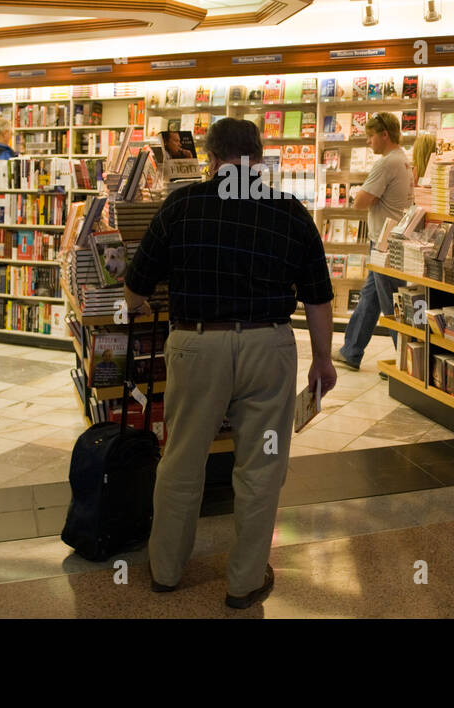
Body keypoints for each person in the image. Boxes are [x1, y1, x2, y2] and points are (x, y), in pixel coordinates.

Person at [123, 116, 337, 610]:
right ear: (258, 159)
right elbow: (318, 298)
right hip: (269, 349)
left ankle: (166, 571)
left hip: (198, 348)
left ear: (211, 159)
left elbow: (134, 288)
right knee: (262, 467)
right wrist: (323, 361)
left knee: (181, 460)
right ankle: (243, 582)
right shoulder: (289, 211)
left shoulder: (181, 205)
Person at [332, 112, 414, 371]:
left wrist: (366, 195)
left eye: (370, 136)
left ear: (384, 135)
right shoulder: (402, 159)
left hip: (383, 244)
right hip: (391, 241)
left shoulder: (386, 163)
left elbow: (359, 202)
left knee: (391, 304)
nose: (368, 142)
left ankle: (408, 363)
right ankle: (352, 350)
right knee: (371, 298)